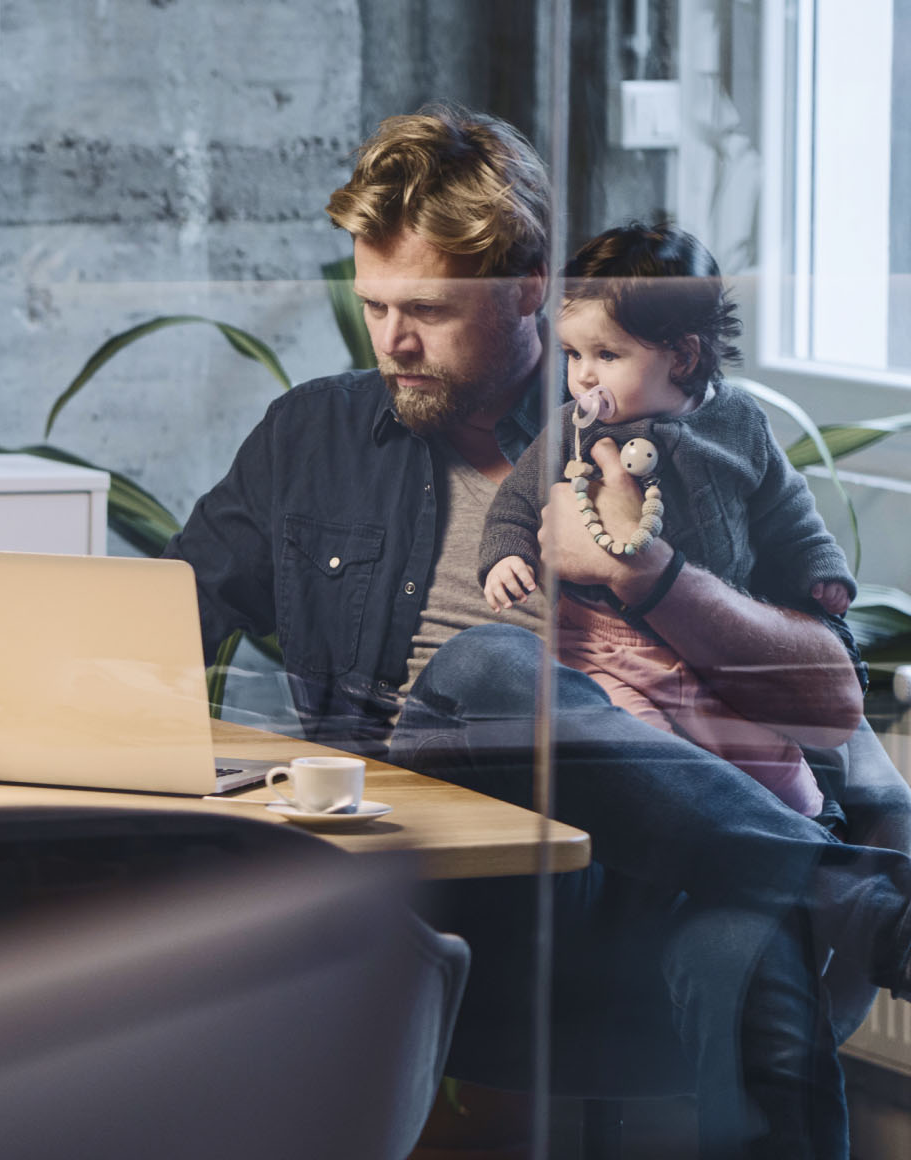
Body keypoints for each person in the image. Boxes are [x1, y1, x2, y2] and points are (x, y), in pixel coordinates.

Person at [164, 103, 911, 1158]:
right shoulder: (312, 437)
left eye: (424, 308)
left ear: (527, 290)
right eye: (371, 305)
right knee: (489, 662)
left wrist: (645, 574)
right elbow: (154, 628)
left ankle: (811, 886)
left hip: (683, 855)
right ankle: (843, 888)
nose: (393, 342)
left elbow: (826, 694)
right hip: (463, 879)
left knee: (752, 974)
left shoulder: (698, 430)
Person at [480, 222, 852, 820]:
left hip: (711, 653)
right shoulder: (575, 427)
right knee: (657, 765)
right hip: (603, 647)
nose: (583, 377)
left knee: (783, 783)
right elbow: (517, 502)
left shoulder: (738, 423)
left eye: (607, 355)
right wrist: (503, 554)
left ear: (683, 355)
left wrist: (820, 568)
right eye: (574, 354)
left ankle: (813, 850)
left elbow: (787, 507)